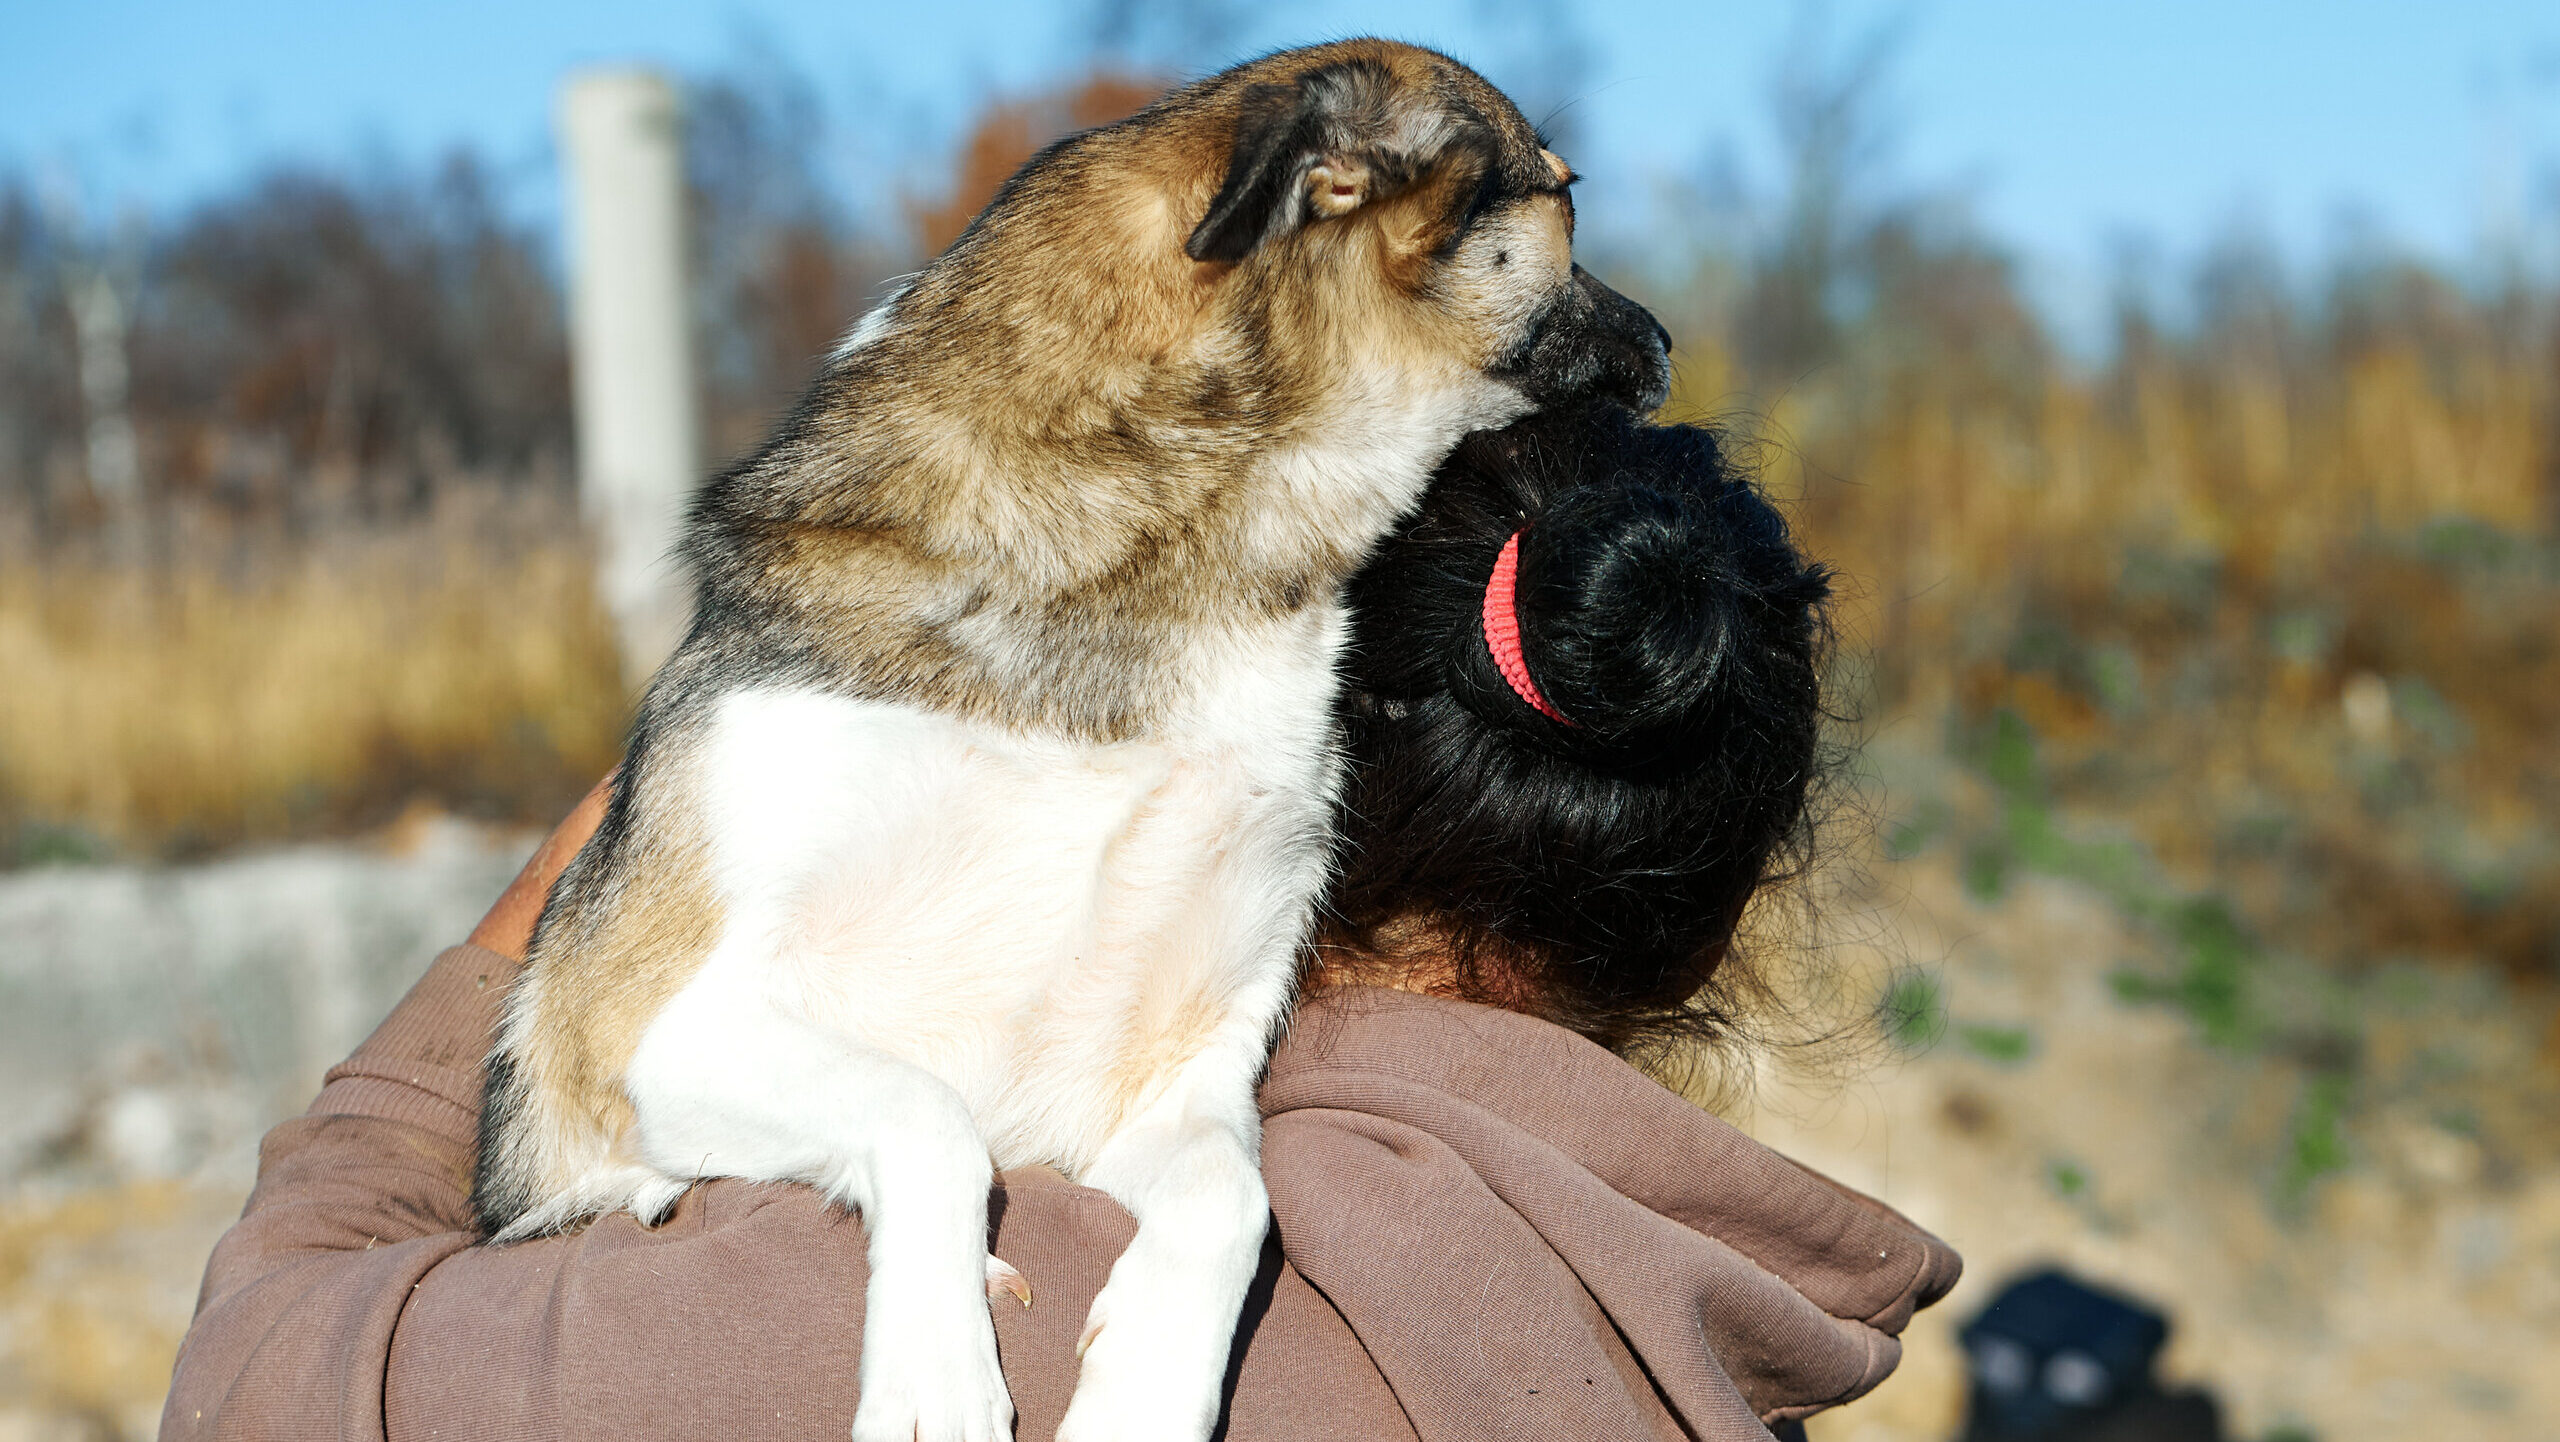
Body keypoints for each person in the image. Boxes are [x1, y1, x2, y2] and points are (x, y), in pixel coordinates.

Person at [161, 405, 1957, 1442]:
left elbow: (261, 1377)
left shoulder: (970, 1315)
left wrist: (591, 886)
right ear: (1705, 943)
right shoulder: (1721, 1349)